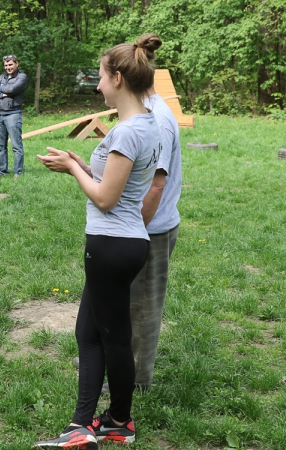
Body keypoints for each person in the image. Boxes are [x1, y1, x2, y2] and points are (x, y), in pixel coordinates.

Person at [33, 33, 163, 448]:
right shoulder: (142, 123)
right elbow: (117, 184)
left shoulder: (128, 132)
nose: (98, 84)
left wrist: (73, 172)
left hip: (112, 244)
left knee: (113, 337)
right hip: (120, 243)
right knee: (89, 332)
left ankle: (118, 423)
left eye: (102, 76)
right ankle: (82, 424)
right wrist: (77, 160)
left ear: (119, 78)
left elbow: (107, 198)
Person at [131, 37, 182, 389]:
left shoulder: (158, 120)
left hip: (153, 230)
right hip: (143, 228)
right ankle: (112, 357)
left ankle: (136, 378)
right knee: (126, 302)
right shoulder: (147, 111)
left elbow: (156, 186)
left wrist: (135, 231)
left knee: (145, 309)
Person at [0, 55, 27, 178]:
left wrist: (0, 88)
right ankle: (2, 171)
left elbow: (13, 88)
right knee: (1, 146)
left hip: (13, 114)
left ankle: (18, 172)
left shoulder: (22, 77)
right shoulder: (2, 76)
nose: (8, 67)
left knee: (16, 146)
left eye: (10, 64)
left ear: (17, 63)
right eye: (6, 65)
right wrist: (2, 94)